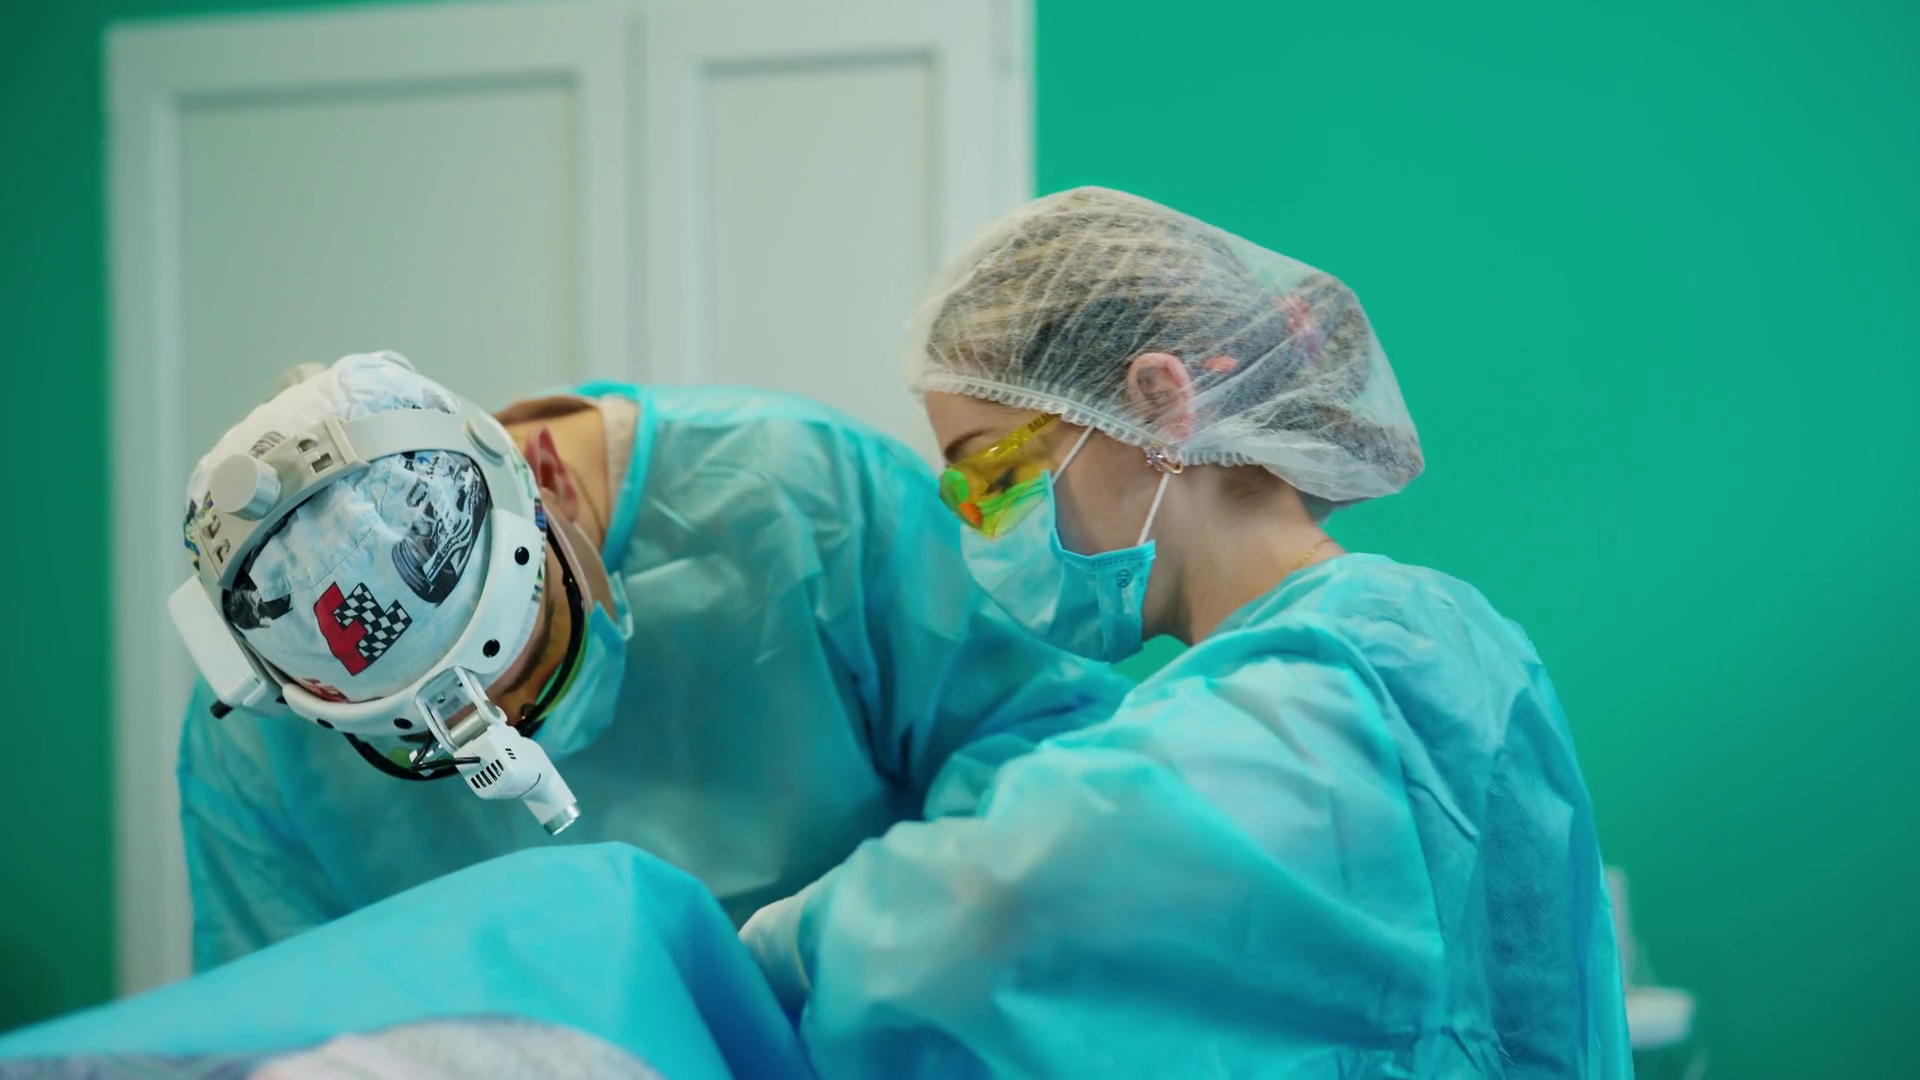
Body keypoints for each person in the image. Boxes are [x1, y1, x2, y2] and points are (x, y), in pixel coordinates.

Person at [740, 188, 1633, 1077]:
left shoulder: (1349, 668)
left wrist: (765, 951)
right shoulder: (1408, 636)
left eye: (992, 473)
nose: (980, 523)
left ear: (1161, 404)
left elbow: (1007, 901)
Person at [175, 352, 1129, 970]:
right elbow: (279, 1020)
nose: (513, 748)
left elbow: (1041, 758)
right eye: (432, 743)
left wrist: (851, 957)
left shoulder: (804, 496)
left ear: (545, 485)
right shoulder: (263, 733)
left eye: (536, 667)